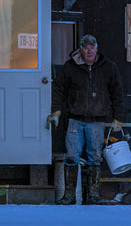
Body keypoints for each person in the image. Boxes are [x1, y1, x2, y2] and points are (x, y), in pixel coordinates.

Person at [46, 34, 125, 204]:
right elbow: (58, 89)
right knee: (72, 157)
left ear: (97, 48)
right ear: (80, 50)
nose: (89, 50)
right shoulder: (69, 67)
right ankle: (69, 197)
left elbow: (117, 93)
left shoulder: (109, 67)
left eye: (92, 47)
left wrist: (118, 118)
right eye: (85, 47)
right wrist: (56, 111)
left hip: (97, 121)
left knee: (95, 158)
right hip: (75, 119)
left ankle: (93, 197)